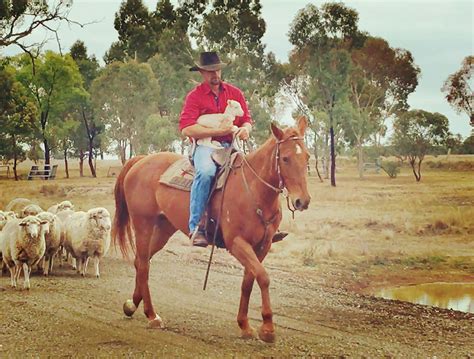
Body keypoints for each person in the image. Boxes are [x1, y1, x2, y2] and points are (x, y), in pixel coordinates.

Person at [179, 52, 253, 247]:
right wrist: (218, 130)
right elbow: (186, 127)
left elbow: (246, 119)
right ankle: (196, 227)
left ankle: (257, 224)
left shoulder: (235, 93)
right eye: (209, 71)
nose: (214, 75)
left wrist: (246, 129)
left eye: (217, 70)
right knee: (205, 173)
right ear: (202, 73)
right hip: (205, 146)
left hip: (231, 145)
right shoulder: (195, 97)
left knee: (252, 173)